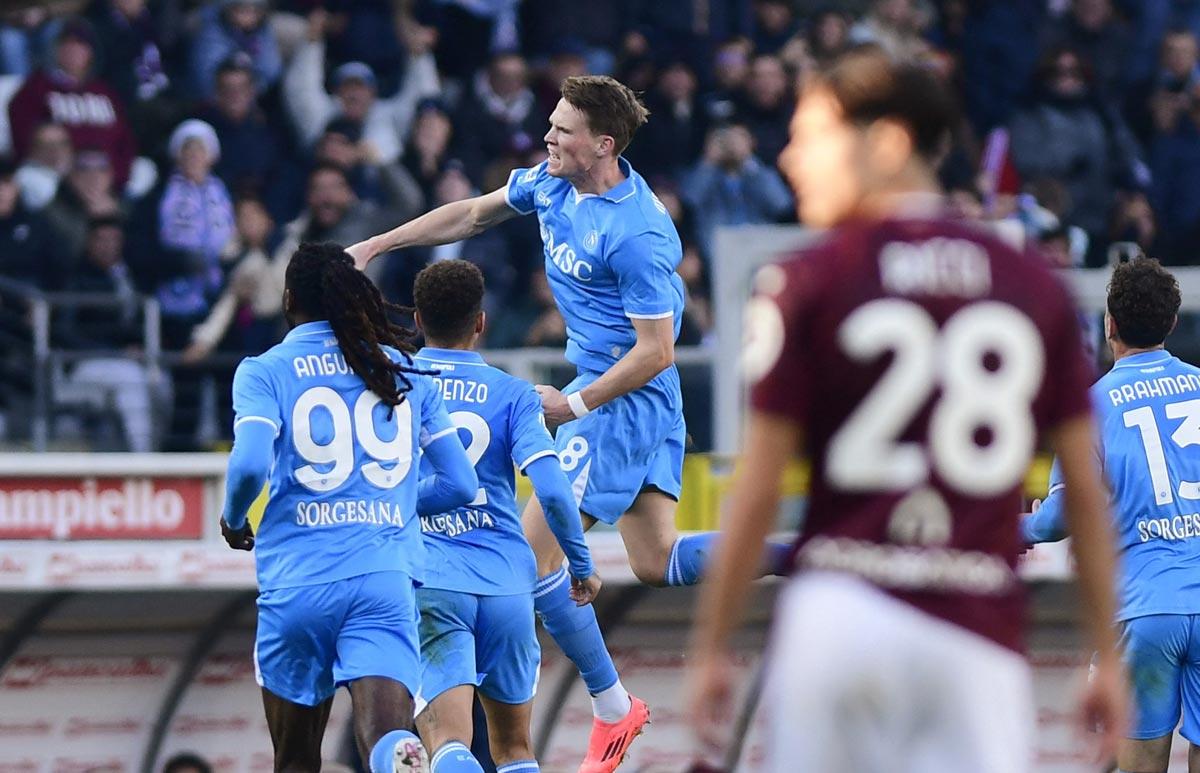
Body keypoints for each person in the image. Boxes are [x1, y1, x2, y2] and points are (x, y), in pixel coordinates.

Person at [685, 48, 1126, 772]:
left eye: (811, 135)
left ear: (887, 142)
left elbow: (758, 488)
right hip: (976, 633)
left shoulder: (806, 280)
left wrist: (711, 646)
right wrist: (1106, 657)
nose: (792, 158)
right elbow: (1086, 488)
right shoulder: (1032, 285)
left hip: (841, 616)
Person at [349, 74, 790, 773]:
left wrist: (574, 404)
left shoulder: (640, 230)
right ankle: (806, 548)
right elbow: (469, 215)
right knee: (656, 559)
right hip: (614, 395)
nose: (547, 137)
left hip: (621, 400)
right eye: (550, 124)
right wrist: (380, 244)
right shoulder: (551, 184)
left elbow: (658, 350)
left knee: (527, 559)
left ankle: (613, 708)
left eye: (561, 129)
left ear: (602, 145)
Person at [219, 242, 478, 771]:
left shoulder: (265, 370)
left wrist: (234, 516)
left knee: (295, 759)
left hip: (298, 581)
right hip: (382, 578)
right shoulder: (401, 368)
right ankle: (415, 757)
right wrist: (395, 504)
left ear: (289, 298)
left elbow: (248, 468)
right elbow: (458, 482)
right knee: (386, 738)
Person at [410, 259, 600, 773]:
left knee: (447, 742)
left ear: (418, 320)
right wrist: (580, 565)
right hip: (507, 586)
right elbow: (556, 493)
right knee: (514, 750)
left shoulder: (396, 385)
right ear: (480, 323)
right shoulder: (513, 393)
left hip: (432, 579)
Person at [1023, 258, 1200, 773]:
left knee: (1140, 763)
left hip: (1145, 610)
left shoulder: (1092, 406)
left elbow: (1057, 519)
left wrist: (1017, 527)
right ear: (1171, 323)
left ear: (1109, 325)